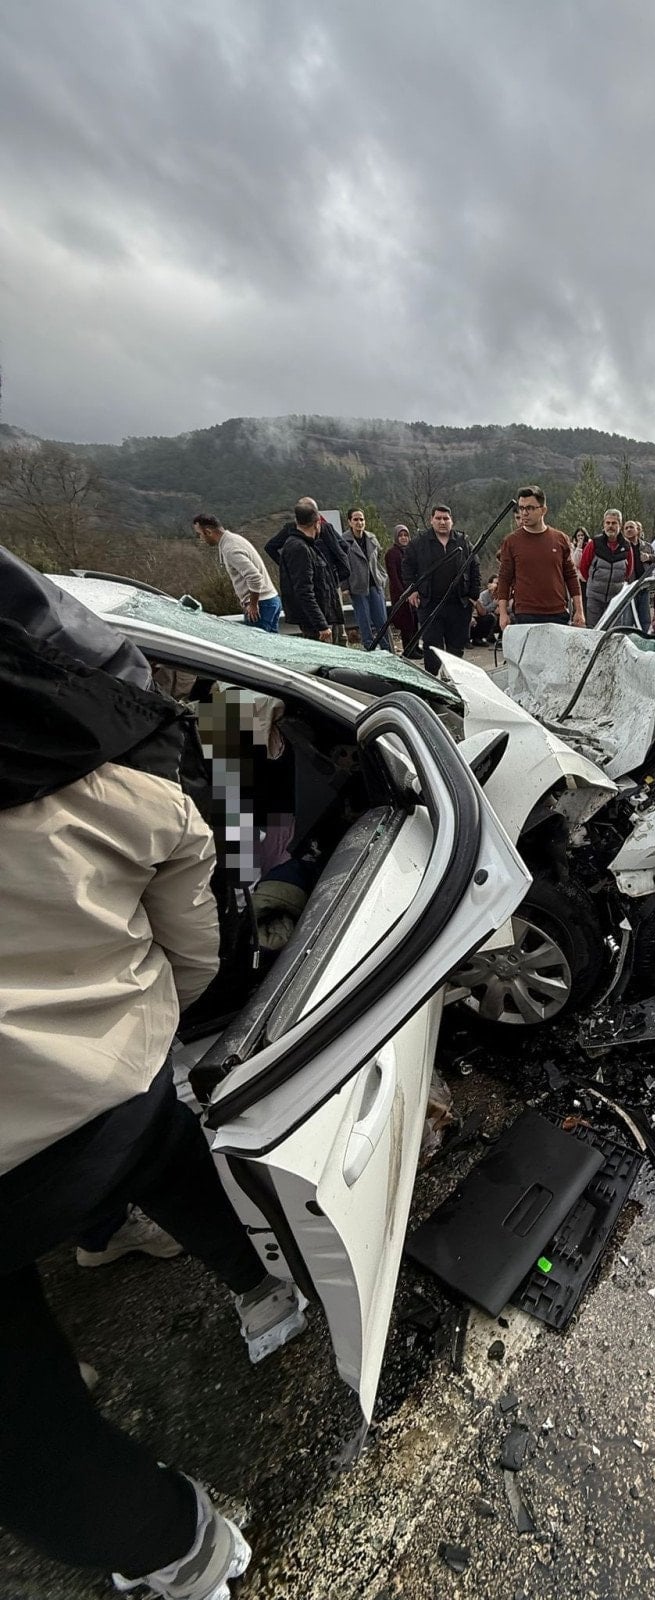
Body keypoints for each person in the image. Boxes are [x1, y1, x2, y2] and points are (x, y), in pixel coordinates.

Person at [0, 550, 305, 1597]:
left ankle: (174, 1547)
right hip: (121, 1093)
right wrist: (144, 1017)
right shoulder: (128, 781)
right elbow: (203, 950)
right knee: (171, 1165)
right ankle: (261, 1295)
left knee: (24, 1429)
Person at [496, 485, 585, 629]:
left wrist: (579, 610)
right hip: (525, 613)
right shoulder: (511, 542)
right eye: (521, 508)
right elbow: (504, 578)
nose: (524, 513)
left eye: (530, 508)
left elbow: (571, 576)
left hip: (557, 612)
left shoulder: (560, 539)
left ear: (543, 510)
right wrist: (503, 613)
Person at [404, 505, 480, 673]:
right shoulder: (419, 543)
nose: (442, 522)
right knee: (432, 646)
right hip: (430, 603)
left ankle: (453, 679)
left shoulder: (463, 541)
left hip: (458, 604)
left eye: (446, 518)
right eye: (438, 518)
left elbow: (474, 566)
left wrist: (473, 595)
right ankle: (432, 681)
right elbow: (407, 567)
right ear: (431, 520)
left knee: (456, 646)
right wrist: (412, 590)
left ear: (452, 521)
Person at [266, 499, 349, 641]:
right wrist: (321, 625)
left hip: (322, 612)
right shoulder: (300, 548)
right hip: (315, 622)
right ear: (317, 523)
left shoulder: (306, 544)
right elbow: (304, 592)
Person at [192, 515, 281, 632]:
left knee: (254, 643)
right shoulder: (234, 539)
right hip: (270, 600)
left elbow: (254, 577)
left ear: (208, 532)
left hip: (261, 605)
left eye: (200, 534)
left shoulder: (230, 548)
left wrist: (253, 605)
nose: (200, 538)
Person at [343, 507, 392, 651]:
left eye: (361, 519)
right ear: (350, 522)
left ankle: (387, 649)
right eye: (355, 519)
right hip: (357, 585)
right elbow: (341, 564)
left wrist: (382, 576)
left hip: (375, 583)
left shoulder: (371, 538)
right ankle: (370, 649)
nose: (359, 522)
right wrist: (345, 585)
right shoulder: (344, 541)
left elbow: (378, 557)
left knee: (382, 620)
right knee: (364, 621)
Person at [580, 509, 634, 627]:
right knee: (593, 631)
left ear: (620, 525)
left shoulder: (626, 546)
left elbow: (628, 571)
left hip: (615, 599)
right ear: (603, 524)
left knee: (613, 631)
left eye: (614, 523)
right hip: (594, 598)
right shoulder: (594, 544)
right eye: (607, 523)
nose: (610, 526)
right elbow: (583, 567)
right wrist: (594, 583)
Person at [385, 523, 419, 654]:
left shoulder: (411, 551)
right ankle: (408, 649)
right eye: (400, 536)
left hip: (413, 593)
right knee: (406, 623)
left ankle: (415, 647)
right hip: (400, 594)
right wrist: (404, 594)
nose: (404, 538)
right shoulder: (391, 554)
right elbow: (393, 577)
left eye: (406, 535)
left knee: (415, 621)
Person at [623, 518, 655, 632]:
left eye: (631, 527)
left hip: (644, 587)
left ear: (637, 530)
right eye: (626, 528)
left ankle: (643, 638)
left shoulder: (647, 546)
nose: (629, 530)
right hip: (628, 588)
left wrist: (649, 557)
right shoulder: (621, 547)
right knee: (627, 620)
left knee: (645, 619)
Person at [472, 576, 501, 645]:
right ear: (489, 584)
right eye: (496, 583)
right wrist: (494, 604)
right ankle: (486, 637)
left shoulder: (501, 594)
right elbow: (483, 611)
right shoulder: (484, 595)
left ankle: (501, 638)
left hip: (498, 616)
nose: (497, 585)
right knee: (491, 617)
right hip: (482, 617)